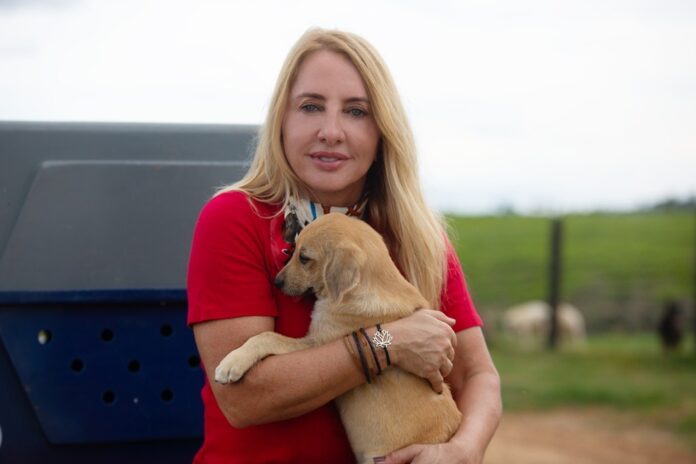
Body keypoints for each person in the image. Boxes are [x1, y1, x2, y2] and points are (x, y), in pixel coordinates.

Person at [187, 28, 501, 464]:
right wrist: (387, 341)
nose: (331, 132)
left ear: (383, 130)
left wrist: (463, 451)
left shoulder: (417, 233)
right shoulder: (235, 217)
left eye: (356, 111)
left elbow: (478, 375)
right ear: (281, 120)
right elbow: (244, 398)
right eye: (311, 106)